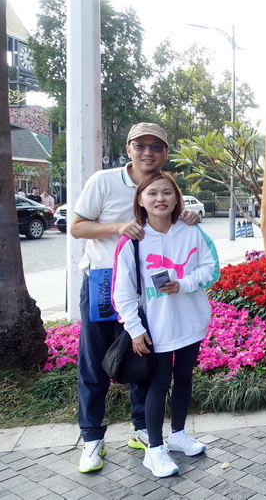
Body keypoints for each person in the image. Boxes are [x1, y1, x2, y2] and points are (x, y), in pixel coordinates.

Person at [70, 122, 199, 473]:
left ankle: (140, 428)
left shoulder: (163, 186)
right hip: (103, 282)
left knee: (144, 357)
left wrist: (189, 214)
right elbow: (77, 227)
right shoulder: (104, 181)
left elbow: (176, 227)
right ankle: (92, 438)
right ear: (128, 149)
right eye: (140, 145)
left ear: (165, 153)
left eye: (156, 146)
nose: (148, 152)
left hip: (147, 290)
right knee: (95, 361)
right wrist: (117, 227)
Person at [112, 172, 220, 478]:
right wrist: (135, 330)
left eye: (167, 193)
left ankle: (178, 435)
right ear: (140, 200)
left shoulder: (192, 231)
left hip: (190, 322)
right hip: (157, 328)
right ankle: (155, 450)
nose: (160, 198)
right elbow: (121, 292)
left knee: (184, 378)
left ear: (177, 199)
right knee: (158, 385)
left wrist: (184, 284)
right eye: (152, 193)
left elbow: (212, 269)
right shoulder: (132, 241)